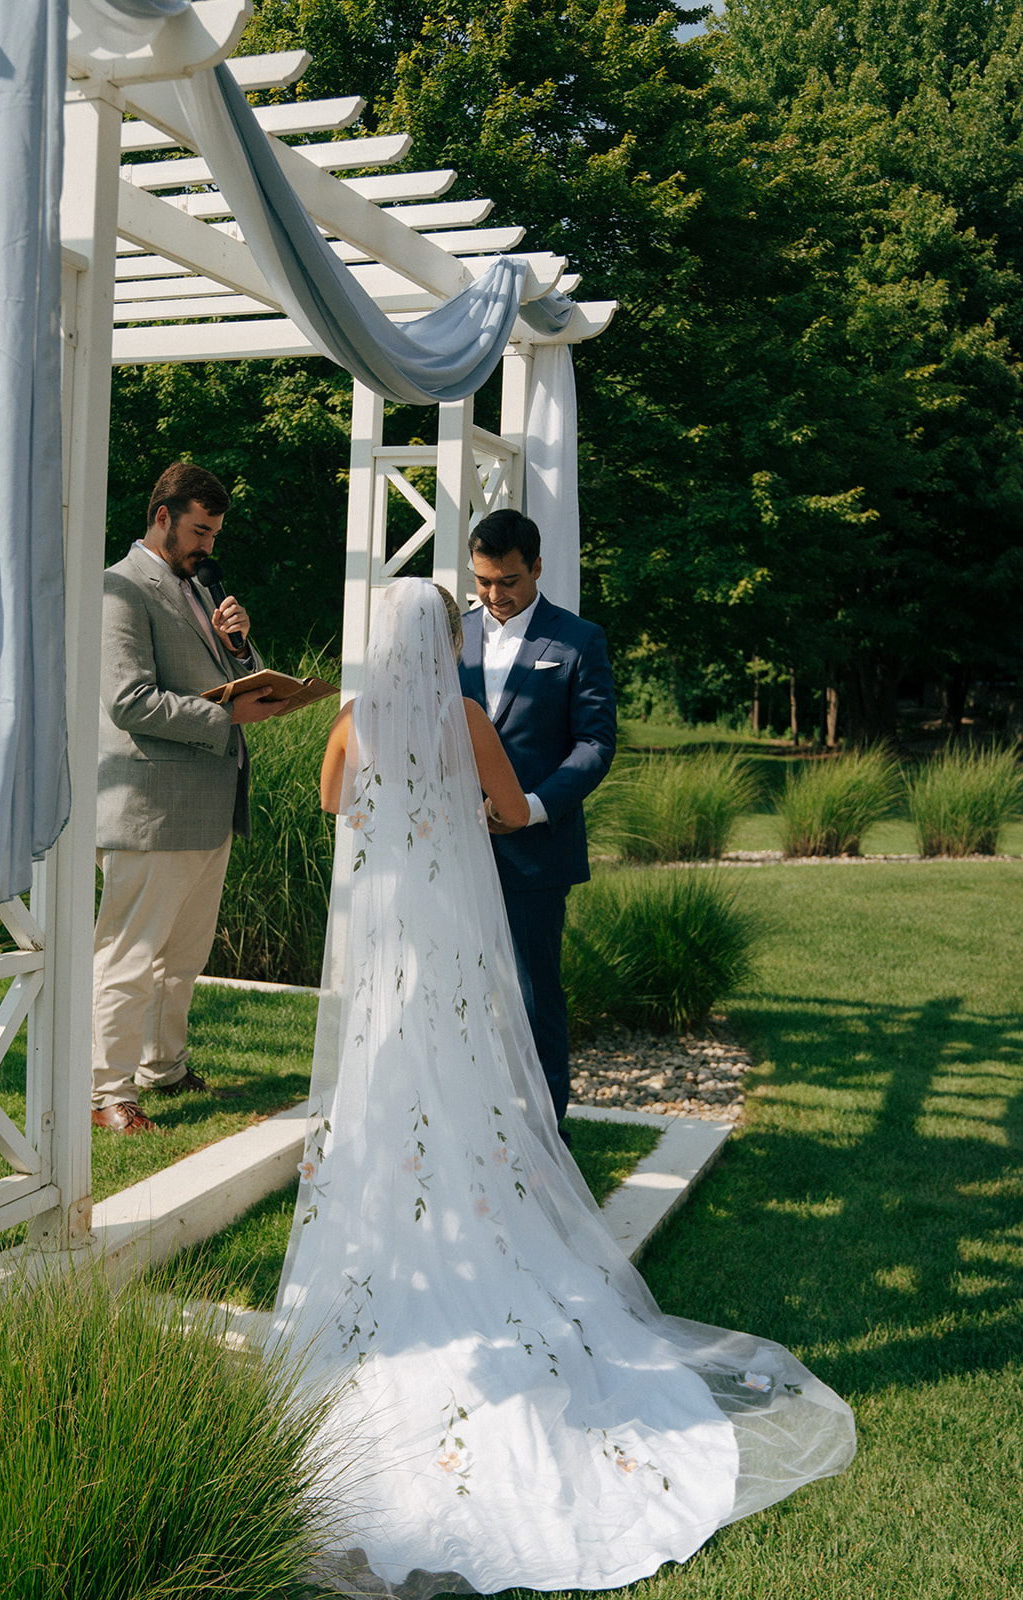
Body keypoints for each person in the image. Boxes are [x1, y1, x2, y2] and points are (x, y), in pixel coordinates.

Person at [271, 578, 854, 1598]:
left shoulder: (352, 718)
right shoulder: (459, 717)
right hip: (449, 929)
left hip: (384, 933)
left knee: (385, 1079)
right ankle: (472, 1215)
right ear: (440, 637)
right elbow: (503, 807)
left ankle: (402, 1232)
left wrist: (392, 808)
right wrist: (453, 807)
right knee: (466, 1075)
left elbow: (333, 803)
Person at [91, 462, 282, 1134]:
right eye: (200, 530)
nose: (208, 545)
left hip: (207, 803)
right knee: (130, 955)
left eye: (215, 532)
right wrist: (227, 719)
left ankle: (161, 1067)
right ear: (163, 516)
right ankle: (105, 1093)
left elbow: (234, 680)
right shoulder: (120, 585)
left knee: (183, 957)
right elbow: (125, 700)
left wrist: (241, 639)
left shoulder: (201, 588)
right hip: (150, 805)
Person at [457, 508, 615, 1130]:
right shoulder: (451, 636)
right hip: (454, 848)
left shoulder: (579, 639)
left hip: (536, 852)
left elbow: (595, 744)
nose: (495, 596)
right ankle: (469, 1124)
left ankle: (546, 1137)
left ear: (538, 568)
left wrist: (532, 809)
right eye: (483, 581)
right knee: (458, 989)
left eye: (509, 582)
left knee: (533, 998)